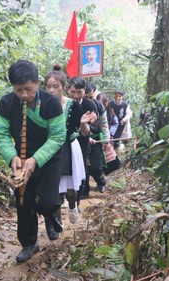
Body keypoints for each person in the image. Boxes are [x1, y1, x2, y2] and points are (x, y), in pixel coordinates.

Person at [0, 60, 66, 262]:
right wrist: (12, 156)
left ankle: (50, 215)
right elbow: (1, 134)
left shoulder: (51, 103)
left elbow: (58, 137)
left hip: (48, 158)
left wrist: (36, 159)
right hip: (21, 160)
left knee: (49, 201)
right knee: (24, 202)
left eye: (28, 89)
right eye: (18, 90)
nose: (24, 95)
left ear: (37, 82)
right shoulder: (7, 103)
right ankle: (29, 243)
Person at [44, 65, 96, 236]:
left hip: (69, 148)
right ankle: (56, 223)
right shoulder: (41, 105)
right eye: (48, 86)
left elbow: (85, 133)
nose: (51, 90)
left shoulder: (73, 105)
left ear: (63, 87)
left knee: (70, 190)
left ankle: (73, 206)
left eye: (55, 86)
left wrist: (83, 123)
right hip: (49, 149)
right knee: (54, 188)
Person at [66, 77, 100, 206]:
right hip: (66, 142)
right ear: (67, 90)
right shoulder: (64, 104)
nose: (75, 95)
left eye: (79, 92)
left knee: (82, 171)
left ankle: (77, 201)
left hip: (83, 143)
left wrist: (91, 125)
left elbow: (95, 127)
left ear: (84, 91)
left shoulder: (89, 105)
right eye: (73, 92)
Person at [83, 82, 109, 194]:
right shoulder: (77, 105)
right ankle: (85, 189)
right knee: (83, 166)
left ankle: (101, 181)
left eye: (91, 96)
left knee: (95, 166)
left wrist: (106, 139)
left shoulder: (99, 105)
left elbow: (104, 123)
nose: (88, 99)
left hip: (96, 139)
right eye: (86, 97)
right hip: (83, 139)